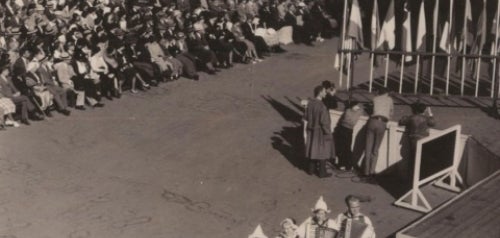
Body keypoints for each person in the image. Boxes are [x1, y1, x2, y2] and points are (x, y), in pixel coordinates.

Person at [398, 102, 436, 177]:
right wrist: (430, 114)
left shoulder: (411, 117)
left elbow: (401, 122)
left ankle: (411, 177)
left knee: (413, 159)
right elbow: (433, 123)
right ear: (424, 110)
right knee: (421, 159)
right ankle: (419, 177)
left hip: (413, 139)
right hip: (423, 140)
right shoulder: (427, 119)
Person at [303, 85, 333, 178]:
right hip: (319, 131)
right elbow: (324, 122)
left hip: (311, 129)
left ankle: (311, 169)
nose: (325, 93)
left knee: (312, 148)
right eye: (324, 91)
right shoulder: (322, 106)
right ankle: (322, 172)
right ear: (320, 92)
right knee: (322, 151)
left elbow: (306, 117)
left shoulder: (310, 103)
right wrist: (328, 132)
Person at [363, 87, 393, 180]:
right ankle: (372, 172)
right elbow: (391, 113)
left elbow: (371, 109)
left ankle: (365, 172)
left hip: (372, 121)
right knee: (375, 149)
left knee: (368, 148)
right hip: (382, 123)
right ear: (386, 93)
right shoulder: (389, 100)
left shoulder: (375, 99)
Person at [336, 100, 364, 171]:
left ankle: (342, 164)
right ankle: (347, 165)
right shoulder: (358, 112)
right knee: (346, 147)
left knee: (343, 147)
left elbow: (344, 120)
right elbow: (351, 121)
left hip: (343, 128)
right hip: (347, 130)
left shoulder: (347, 111)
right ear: (353, 106)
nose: (358, 107)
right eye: (357, 106)